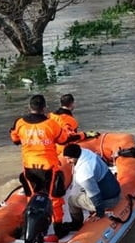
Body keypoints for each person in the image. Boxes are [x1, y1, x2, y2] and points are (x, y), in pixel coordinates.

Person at [9, 94, 72, 227]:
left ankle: (30, 225)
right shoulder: (51, 124)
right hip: (48, 167)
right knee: (54, 197)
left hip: (29, 166)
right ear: (44, 108)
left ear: (29, 107)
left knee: (31, 196)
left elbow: (15, 139)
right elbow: (63, 139)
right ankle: (58, 227)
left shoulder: (19, 123)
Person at [62, 144, 121, 222]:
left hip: (109, 200)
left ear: (76, 156)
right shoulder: (87, 153)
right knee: (82, 189)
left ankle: (76, 224)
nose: (67, 161)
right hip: (113, 189)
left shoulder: (85, 172)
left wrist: (100, 213)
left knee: (71, 200)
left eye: (69, 159)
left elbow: (95, 195)